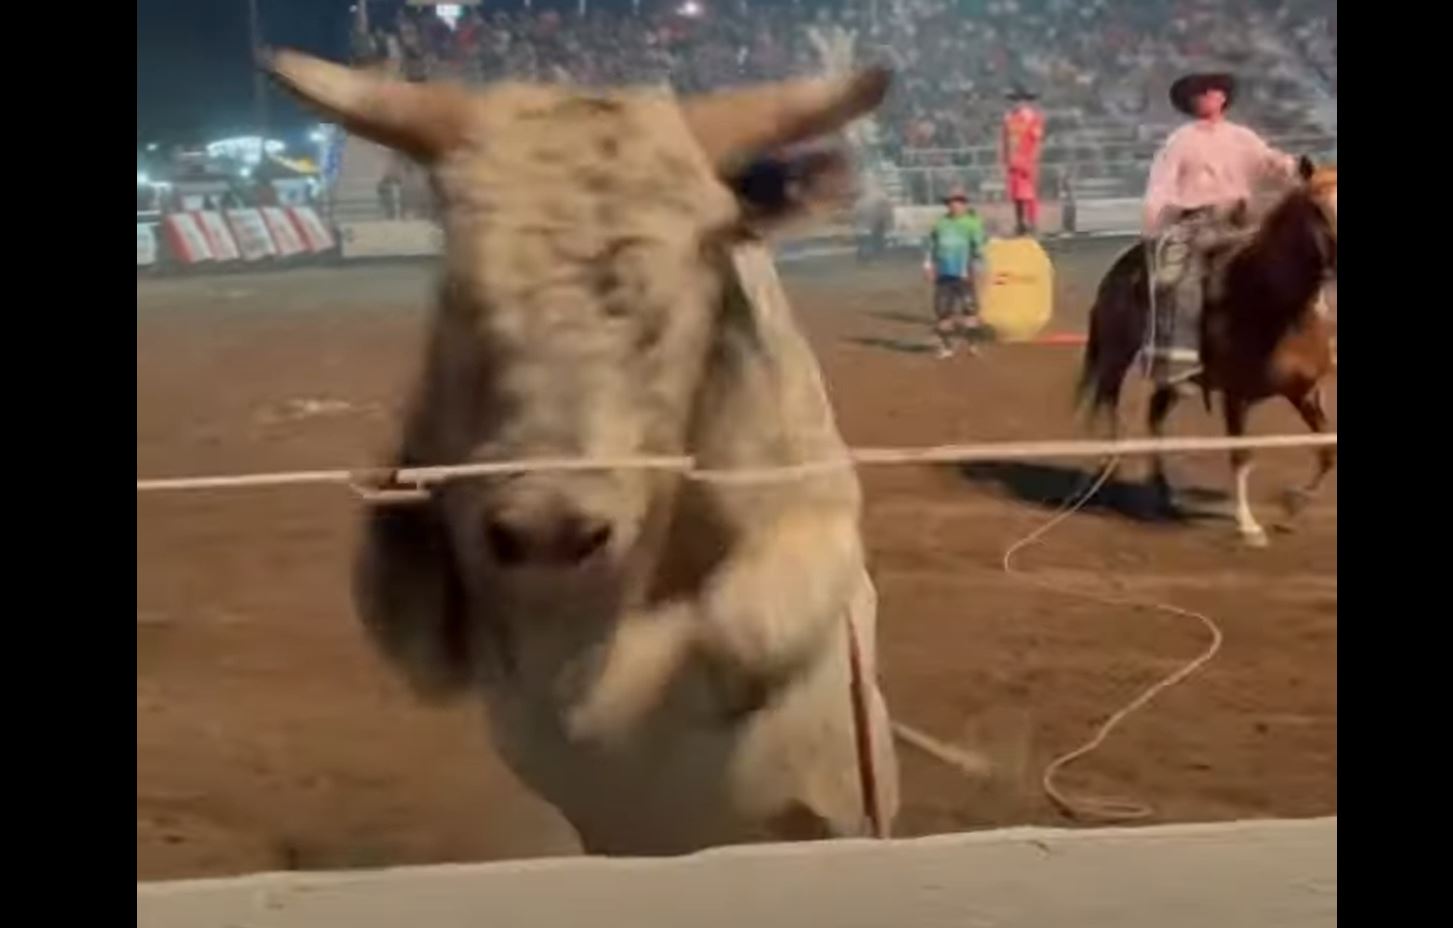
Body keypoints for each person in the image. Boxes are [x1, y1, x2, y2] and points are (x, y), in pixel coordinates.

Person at [1141, 72, 1296, 387]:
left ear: (1223, 98)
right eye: (1200, 93)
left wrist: (1287, 165)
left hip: (1243, 220)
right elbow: (1162, 184)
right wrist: (1154, 219)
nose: (1207, 96)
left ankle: (1300, 343)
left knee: (1295, 261)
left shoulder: (1242, 137)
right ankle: (1177, 361)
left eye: (1213, 91)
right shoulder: (1181, 141)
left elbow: (1269, 161)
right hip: (1197, 220)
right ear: (1191, 102)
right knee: (1174, 279)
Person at [923, 188, 987, 359]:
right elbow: (931, 247)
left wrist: (979, 268)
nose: (955, 205)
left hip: (964, 275)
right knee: (943, 312)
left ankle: (972, 345)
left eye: (959, 201)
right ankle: (947, 347)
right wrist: (928, 265)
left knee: (970, 311)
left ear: (964, 204)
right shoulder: (940, 224)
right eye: (952, 202)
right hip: (944, 275)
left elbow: (979, 248)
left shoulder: (972, 223)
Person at [1001, 86, 1045, 237]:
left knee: (1029, 195)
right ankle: (1020, 223)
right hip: (1014, 161)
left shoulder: (1033, 118)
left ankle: (1032, 222)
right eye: (1015, 100)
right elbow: (1005, 141)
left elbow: (1037, 141)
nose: (1017, 103)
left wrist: (1032, 160)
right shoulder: (1009, 119)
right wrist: (1006, 160)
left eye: (1020, 100)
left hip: (1027, 161)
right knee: (1016, 195)